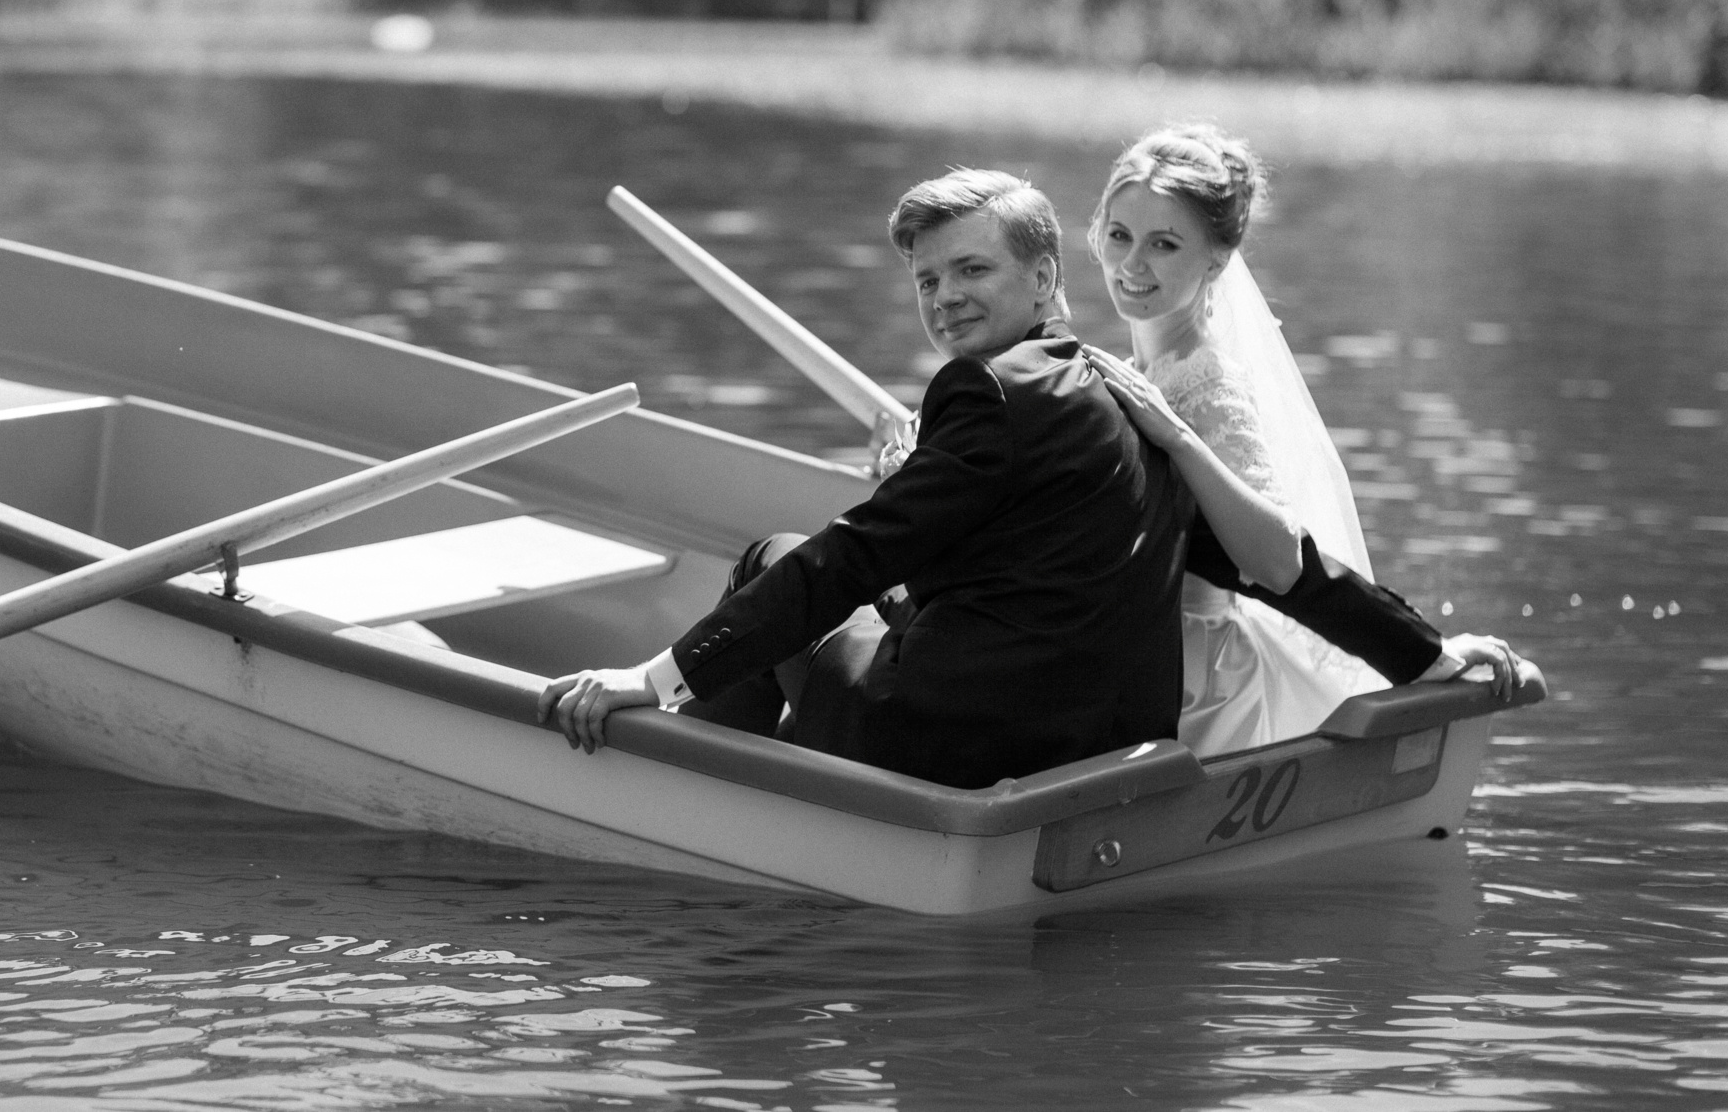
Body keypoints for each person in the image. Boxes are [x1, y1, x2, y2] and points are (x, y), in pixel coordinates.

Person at [536, 167, 1519, 790]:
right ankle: (746, 752)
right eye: (927, 280)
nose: (944, 299)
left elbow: (852, 557)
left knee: (775, 557)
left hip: (957, 747)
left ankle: (687, 784)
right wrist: (1429, 658)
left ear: (1045, 279)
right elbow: (1278, 569)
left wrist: (649, 674)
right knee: (837, 596)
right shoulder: (1130, 398)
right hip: (1105, 749)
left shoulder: (985, 390)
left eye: (972, 271)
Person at [1081, 124, 1440, 757]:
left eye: (1164, 244)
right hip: (1137, 656)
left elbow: (1277, 558)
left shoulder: (1208, 382)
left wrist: (1179, 438)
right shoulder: (1135, 373)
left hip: (1199, 683)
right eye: (1120, 235)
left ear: (1216, 261)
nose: (1132, 264)